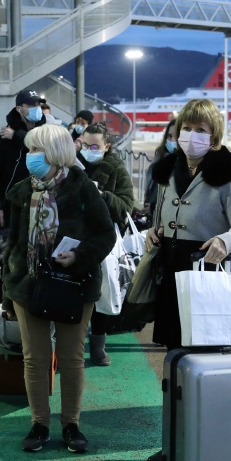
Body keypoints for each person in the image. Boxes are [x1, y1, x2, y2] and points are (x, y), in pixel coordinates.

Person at [2, 124, 116, 454]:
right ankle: (39, 424)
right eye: (30, 150)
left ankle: (71, 424)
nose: (30, 157)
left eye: (36, 150)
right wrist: (9, 290)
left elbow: (105, 235)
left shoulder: (82, 188)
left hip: (74, 284)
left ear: (55, 154)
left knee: (70, 357)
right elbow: (12, 244)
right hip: (28, 284)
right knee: (34, 359)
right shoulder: (22, 191)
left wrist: (78, 256)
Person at [145, 98, 231, 351]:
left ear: (213, 137)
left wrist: (225, 241)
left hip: (206, 272)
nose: (191, 135)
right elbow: (161, 218)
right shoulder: (169, 171)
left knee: (203, 348)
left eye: (201, 130)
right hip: (170, 271)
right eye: (186, 128)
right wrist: (154, 231)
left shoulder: (226, 175)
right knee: (173, 349)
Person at [76, 122, 134, 366]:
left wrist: (103, 196)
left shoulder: (116, 168)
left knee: (102, 291)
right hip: (73, 236)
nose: (88, 149)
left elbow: (126, 207)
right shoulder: (72, 164)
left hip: (103, 239)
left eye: (94, 146)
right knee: (72, 291)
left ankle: (98, 345)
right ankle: (72, 345)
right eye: (84, 144)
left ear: (107, 146)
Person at [0, 88, 47, 228]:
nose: (37, 108)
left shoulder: (44, 132)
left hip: (41, 205)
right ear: (19, 109)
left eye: (38, 104)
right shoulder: (5, 136)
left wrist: (17, 136)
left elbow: (44, 149)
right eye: (31, 105)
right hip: (11, 205)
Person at [143, 117, 178, 215]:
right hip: (152, 219)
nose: (172, 140)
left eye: (176, 136)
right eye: (169, 136)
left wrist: (154, 207)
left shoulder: (182, 165)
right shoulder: (160, 158)